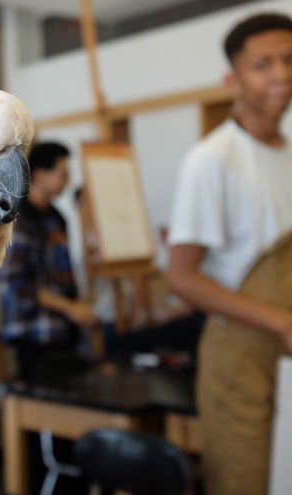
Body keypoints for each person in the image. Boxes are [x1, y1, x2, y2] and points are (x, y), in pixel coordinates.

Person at [167, 13, 292, 494]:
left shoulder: (287, 152)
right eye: (263, 64)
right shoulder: (212, 160)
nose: (281, 73)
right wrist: (281, 321)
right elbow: (183, 278)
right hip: (239, 357)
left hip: (285, 353)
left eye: (288, 59)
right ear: (232, 79)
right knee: (245, 480)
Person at [0, 142, 98, 383]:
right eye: (63, 174)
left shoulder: (56, 218)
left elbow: (63, 272)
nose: (68, 181)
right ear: (40, 175)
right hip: (33, 333)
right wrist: (69, 307)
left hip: (62, 330)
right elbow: (14, 283)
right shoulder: (18, 220)